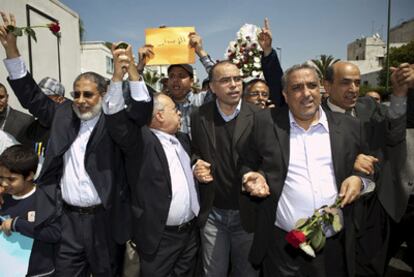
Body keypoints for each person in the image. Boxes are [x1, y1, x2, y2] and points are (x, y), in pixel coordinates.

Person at [0, 12, 152, 276]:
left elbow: (141, 110)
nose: (80, 100)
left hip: (104, 221)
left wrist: (132, 71)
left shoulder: (115, 120)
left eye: (88, 94)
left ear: (103, 95)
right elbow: (31, 95)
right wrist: (11, 50)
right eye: (76, 94)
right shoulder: (62, 114)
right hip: (66, 220)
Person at [240, 63, 371, 277]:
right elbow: (246, 162)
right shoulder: (265, 122)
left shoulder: (350, 127)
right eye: (297, 87)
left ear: (321, 88)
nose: (306, 93)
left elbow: (368, 169)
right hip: (283, 246)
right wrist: (251, 177)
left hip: (334, 245)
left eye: (312, 85)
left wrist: (360, 180)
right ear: (285, 94)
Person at [103, 44, 199, 277]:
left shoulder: (183, 140)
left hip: (189, 236)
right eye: (174, 109)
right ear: (158, 115)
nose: (179, 113)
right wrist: (121, 76)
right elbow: (117, 115)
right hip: (159, 238)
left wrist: (198, 165)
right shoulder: (140, 141)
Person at [323, 61, 407, 276]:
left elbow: (395, 135)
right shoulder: (314, 116)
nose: (353, 89)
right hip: (336, 207)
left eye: (357, 83)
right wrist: (349, 160)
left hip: (375, 205)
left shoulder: (369, 106)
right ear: (327, 85)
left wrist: (398, 94)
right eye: (345, 83)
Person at [191, 60, 260, 276]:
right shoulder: (199, 116)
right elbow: (195, 151)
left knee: (247, 272)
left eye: (237, 79)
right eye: (226, 80)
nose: (234, 85)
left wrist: (257, 176)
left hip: (247, 213)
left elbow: (269, 158)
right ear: (212, 87)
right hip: (213, 214)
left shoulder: (259, 116)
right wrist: (195, 164)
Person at [0, 145, 60, 276]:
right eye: (1, 178)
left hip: (40, 272)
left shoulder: (44, 199)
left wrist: (16, 224)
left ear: (29, 176)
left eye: (11, 179)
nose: (4, 183)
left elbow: (54, 233)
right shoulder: (4, 198)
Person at [24, 76, 66, 149]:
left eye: (44, 97)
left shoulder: (67, 127)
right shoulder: (32, 128)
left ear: (60, 99)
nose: (39, 100)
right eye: (38, 96)